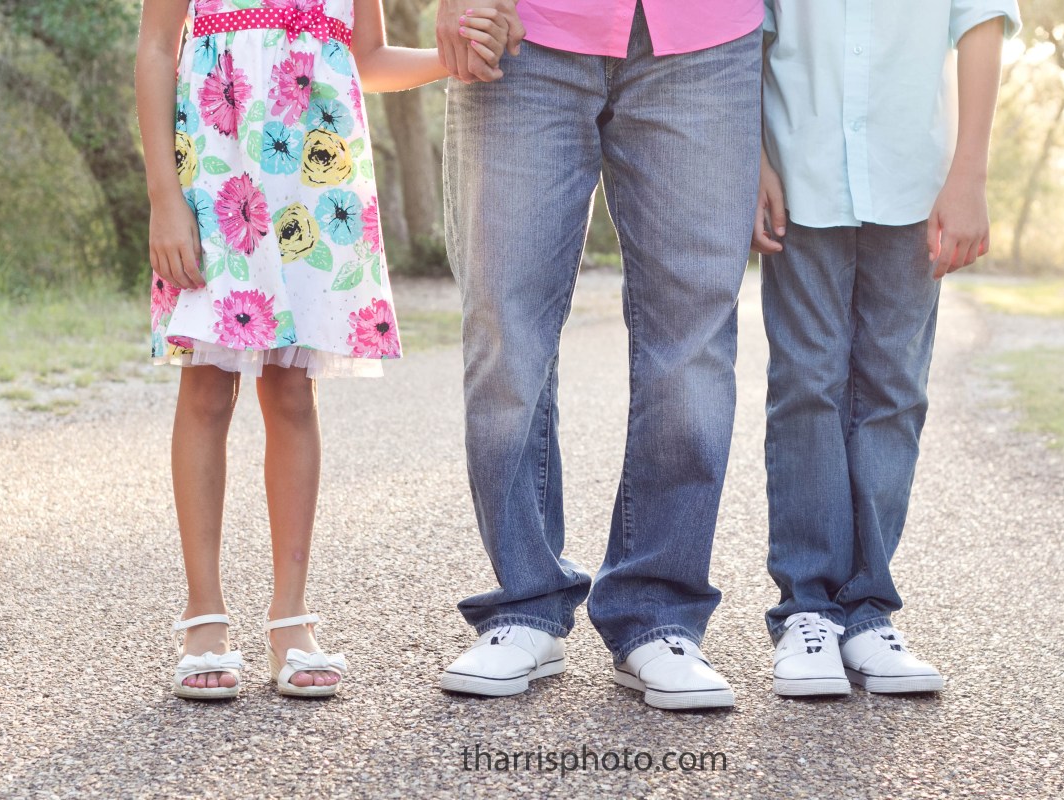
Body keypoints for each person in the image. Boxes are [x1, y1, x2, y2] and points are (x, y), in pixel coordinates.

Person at [136, 0, 509, 700]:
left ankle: (290, 620)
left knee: (291, 391)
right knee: (208, 387)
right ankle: (203, 618)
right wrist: (164, 197)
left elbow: (366, 59)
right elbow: (158, 48)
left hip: (313, 183)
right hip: (217, 175)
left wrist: (448, 58)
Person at [435, 0, 765, 710]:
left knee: (694, 339)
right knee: (504, 322)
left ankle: (660, 613)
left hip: (706, 36)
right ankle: (525, 599)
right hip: (524, 28)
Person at [753, 0, 1021, 697]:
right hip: (801, 169)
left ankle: (868, 612)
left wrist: (970, 175)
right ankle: (808, 612)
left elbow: (982, 24)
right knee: (806, 384)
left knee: (894, 390)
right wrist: (751, 158)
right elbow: (748, 32)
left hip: (913, 179)